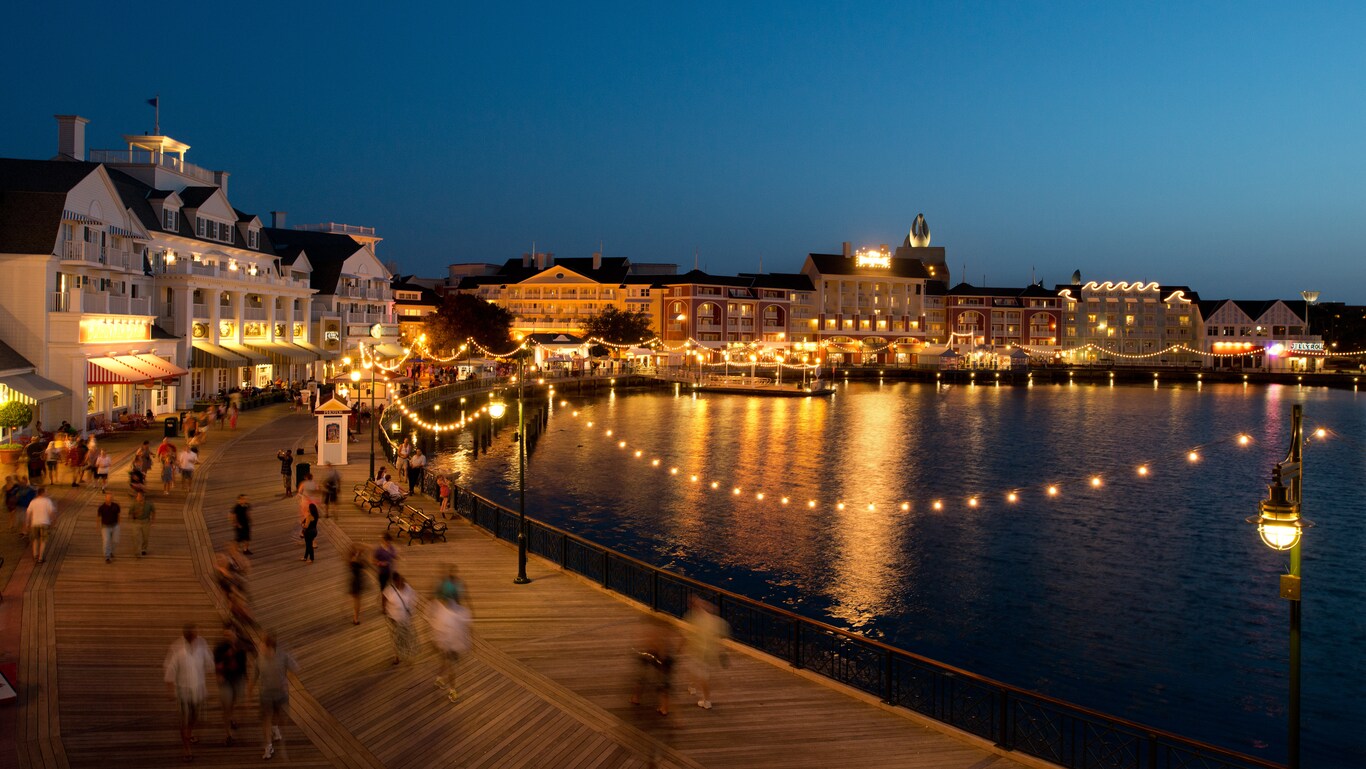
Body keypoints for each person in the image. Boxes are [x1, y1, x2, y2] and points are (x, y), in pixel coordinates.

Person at [163, 624, 213, 761]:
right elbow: (170, 669)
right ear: (189, 636)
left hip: (199, 691)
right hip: (183, 692)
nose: (198, 636)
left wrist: (213, 667)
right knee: (184, 721)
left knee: (195, 718)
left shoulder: (202, 644)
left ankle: (189, 734)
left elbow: (209, 661)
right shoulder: (177, 648)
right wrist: (170, 689)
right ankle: (186, 749)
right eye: (195, 634)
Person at [257, 632, 298, 760]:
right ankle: (268, 746)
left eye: (262, 643)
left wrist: (287, 682)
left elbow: (295, 668)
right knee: (266, 720)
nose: (259, 645)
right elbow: (254, 675)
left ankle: (275, 728)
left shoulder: (283, 656)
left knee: (279, 716)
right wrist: (249, 690)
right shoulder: (259, 659)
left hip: (280, 694)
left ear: (269, 646)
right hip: (266, 695)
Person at [684, 596, 730, 709]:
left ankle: (707, 700)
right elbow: (720, 636)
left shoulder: (695, 618)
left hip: (701, 651)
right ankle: (692, 687)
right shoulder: (716, 621)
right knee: (695, 670)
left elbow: (688, 634)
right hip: (708, 652)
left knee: (703, 675)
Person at [427, 586, 472, 701]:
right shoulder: (461, 611)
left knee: (445, 662)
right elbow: (465, 628)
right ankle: (452, 690)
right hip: (450, 646)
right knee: (451, 667)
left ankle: (439, 678)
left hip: (447, 645)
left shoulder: (444, 611)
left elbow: (437, 628)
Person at [631, 614, 679, 715]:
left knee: (642, 678)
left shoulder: (653, 631)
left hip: (652, 656)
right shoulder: (666, 631)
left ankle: (636, 698)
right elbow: (682, 640)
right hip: (661, 657)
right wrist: (675, 652)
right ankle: (664, 707)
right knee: (663, 684)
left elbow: (652, 644)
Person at [213, 624, 250, 746]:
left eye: (229, 634)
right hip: (226, 679)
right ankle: (228, 734)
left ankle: (232, 718)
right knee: (226, 706)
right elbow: (217, 664)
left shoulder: (241, 646)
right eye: (225, 635)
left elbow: (244, 665)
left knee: (236, 702)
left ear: (235, 633)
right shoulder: (220, 647)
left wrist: (247, 680)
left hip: (238, 678)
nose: (227, 637)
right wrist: (219, 676)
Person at [381, 572, 418, 665]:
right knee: (396, 638)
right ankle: (397, 656)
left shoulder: (408, 588)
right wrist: (385, 609)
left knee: (407, 637)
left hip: (406, 618)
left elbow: (413, 599)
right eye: (397, 581)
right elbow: (384, 598)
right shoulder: (389, 590)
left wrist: (412, 610)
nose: (400, 583)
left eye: (400, 581)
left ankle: (409, 656)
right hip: (394, 619)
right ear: (394, 582)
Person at [26, 485, 53, 563]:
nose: (47, 493)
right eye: (46, 491)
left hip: (34, 523)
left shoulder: (33, 502)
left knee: (35, 540)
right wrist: (52, 521)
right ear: (43, 493)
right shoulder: (47, 501)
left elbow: (28, 513)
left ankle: (35, 555)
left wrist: (27, 523)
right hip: (45, 523)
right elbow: (51, 512)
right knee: (43, 541)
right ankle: (40, 557)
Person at [128, 489, 155, 557]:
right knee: (135, 537)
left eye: (139, 496)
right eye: (137, 496)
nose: (138, 498)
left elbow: (153, 511)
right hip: (136, 522)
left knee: (145, 537)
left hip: (146, 522)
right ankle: (137, 552)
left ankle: (144, 549)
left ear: (143, 497)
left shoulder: (149, 504)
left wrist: (153, 520)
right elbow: (130, 513)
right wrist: (133, 516)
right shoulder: (133, 504)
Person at [97, 490, 120, 563]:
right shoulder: (102, 507)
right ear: (105, 498)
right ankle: (107, 556)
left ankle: (111, 552)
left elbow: (119, 515)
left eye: (111, 497)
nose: (110, 498)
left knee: (115, 541)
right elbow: (98, 517)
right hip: (105, 526)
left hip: (115, 525)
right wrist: (98, 526)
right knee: (106, 541)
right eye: (108, 497)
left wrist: (118, 524)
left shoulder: (116, 506)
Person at [372, 532, 397, 599]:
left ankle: (389, 601)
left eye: (389, 542)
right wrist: (380, 563)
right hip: (382, 573)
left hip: (390, 571)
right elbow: (373, 561)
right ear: (384, 540)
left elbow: (394, 556)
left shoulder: (391, 548)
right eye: (387, 542)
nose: (389, 543)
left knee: (391, 588)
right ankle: (383, 604)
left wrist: (394, 555)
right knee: (383, 589)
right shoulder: (379, 550)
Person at [348, 545, 367, 625]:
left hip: (354, 581)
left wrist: (359, 554)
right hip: (357, 582)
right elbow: (363, 565)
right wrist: (360, 554)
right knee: (357, 602)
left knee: (356, 601)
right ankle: (355, 619)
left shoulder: (352, 561)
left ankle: (355, 617)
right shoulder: (356, 561)